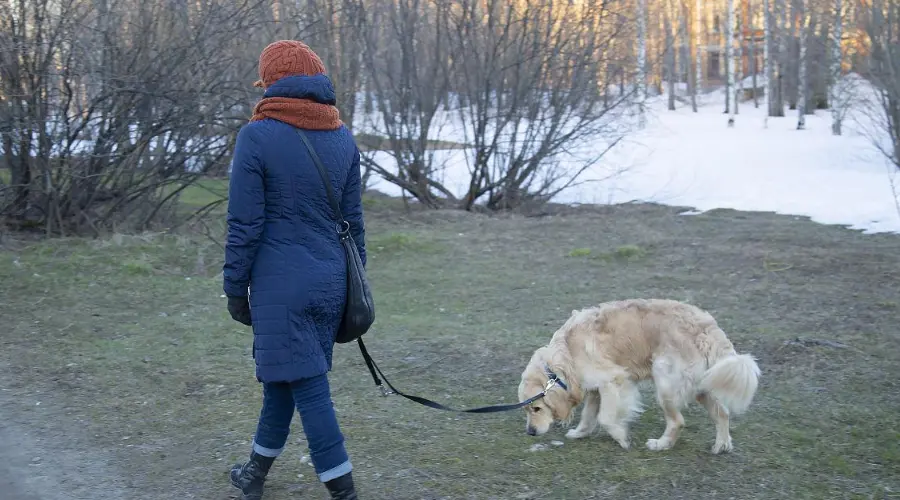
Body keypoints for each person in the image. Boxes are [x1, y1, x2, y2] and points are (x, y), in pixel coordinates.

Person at [223, 40, 366, 500]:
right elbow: (354, 224)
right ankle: (255, 474)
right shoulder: (342, 136)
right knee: (282, 380)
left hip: (279, 286)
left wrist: (233, 288)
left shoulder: (257, 136)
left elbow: (244, 224)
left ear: (271, 84)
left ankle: (345, 493)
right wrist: (352, 283)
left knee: (309, 390)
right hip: (330, 281)